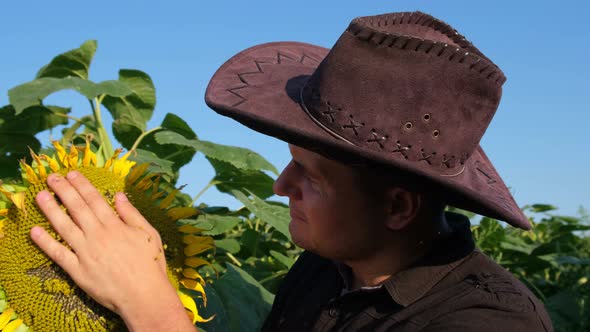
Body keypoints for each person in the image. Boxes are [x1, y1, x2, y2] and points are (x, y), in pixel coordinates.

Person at [31, 11, 553, 331]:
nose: (281, 186)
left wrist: (152, 307)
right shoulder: (325, 271)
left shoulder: (487, 321)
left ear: (397, 206)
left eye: (311, 175)